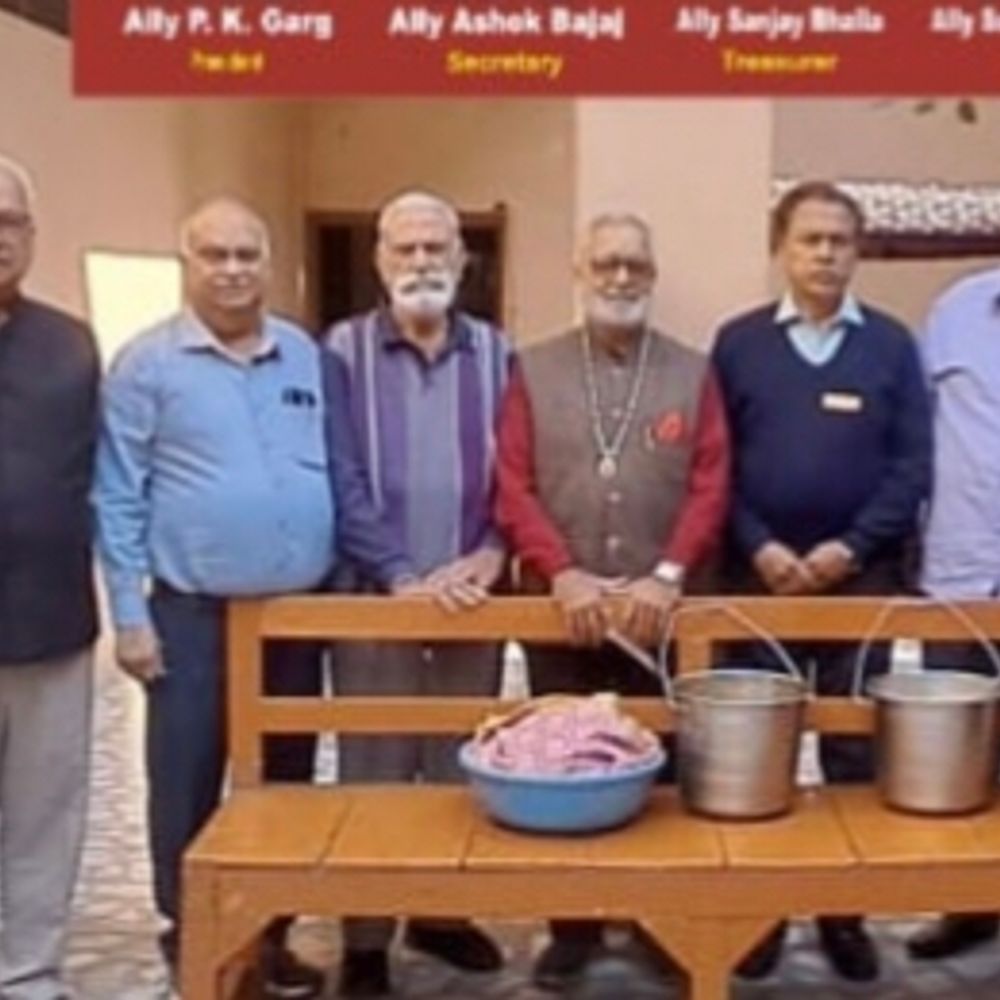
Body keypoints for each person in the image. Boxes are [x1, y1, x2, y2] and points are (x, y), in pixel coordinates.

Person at [94, 197, 414, 999]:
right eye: (215, 255)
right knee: (187, 779)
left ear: (270, 264)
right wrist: (129, 617)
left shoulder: (305, 355)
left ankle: (269, 933)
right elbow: (117, 496)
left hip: (293, 619)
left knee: (285, 784)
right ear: (188, 264)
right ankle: (193, 934)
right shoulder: (145, 366)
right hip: (194, 616)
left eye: (247, 255)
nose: (233, 270)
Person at [495, 211, 729, 991]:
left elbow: (711, 482)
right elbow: (512, 483)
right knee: (566, 767)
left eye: (635, 265)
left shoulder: (693, 372)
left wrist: (667, 573)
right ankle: (573, 926)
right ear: (580, 272)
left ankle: (660, 922)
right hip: (562, 608)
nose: (621, 278)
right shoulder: (532, 368)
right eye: (606, 264)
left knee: (660, 772)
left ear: (652, 275)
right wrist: (561, 571)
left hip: (660, 611)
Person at [712, 180, 932, 983]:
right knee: (756, 756)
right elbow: (714, 463)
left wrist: (851, 546)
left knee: (852, 750)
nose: (826, 254)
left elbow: (913, 466)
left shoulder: (892, 346)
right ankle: (760, 915)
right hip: (756, 584)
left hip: (860, 583)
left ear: (857, 251)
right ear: (782, 248)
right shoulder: (738, 344)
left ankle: (845, 915)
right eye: (810, 239)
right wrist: (761, 544)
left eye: (840, 240)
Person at [324, 190, 509, 997]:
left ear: (462, 258)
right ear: (380, 260)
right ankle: (366, 938)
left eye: (437, 247)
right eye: (405, 248)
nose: (422, 261)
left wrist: (493, 553)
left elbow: (519, 474)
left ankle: (442, 914)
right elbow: (340, 476)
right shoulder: (341, 351)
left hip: (473, 598)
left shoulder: (500, 354)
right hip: (376, 595)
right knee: (374, 766)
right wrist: (398, 572)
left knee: (457, 763)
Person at [0, 155, 99, 1000]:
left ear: (31, 235)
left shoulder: (70, 346)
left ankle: (29, 974)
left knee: (43, 816)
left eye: (10, 221)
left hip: (51, 624)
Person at [904, 266, 1000, 962]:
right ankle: (971, 906)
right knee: (961, 756)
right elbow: (918, 430)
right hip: (962, 571)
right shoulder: (955, 311)